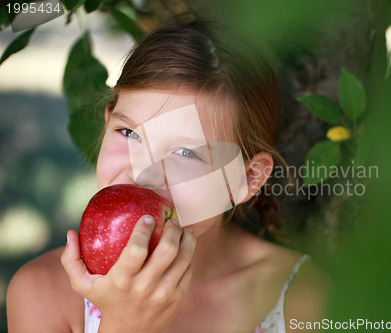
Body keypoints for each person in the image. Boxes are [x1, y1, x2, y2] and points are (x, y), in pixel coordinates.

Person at [7, 14, 330, 333]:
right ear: (106, 125)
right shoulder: (43, 294)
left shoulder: (303, 300)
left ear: (248, 178)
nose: (144, 174)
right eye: (129, 133)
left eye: (186, 153)